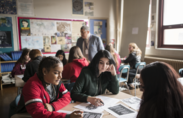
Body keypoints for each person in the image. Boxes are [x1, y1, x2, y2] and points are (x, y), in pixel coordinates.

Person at [16, 57, 83, 118]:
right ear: (44, 71)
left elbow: (67, 96)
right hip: (27, 115)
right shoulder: (32, 86)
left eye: (61, 72)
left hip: (49, 113)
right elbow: (39, 113)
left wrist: (53, 106)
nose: (60, 77)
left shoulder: (56, 82)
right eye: (56, 73)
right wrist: (67, 117)